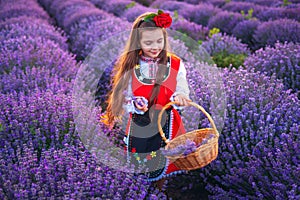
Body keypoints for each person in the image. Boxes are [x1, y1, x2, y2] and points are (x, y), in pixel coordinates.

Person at [102, 10, 191, 189]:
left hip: (168, 123)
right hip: (141, 125)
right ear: (138, 43)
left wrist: (181, 96)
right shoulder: (132, 66)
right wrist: (134, 103)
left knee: (163, 163)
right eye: (148, 42)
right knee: (141, 165)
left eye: (159, 41)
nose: (155, 46)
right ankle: (142, 191)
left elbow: (181, 86)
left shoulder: (174, 63)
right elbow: (125, 96)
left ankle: (158, 189)